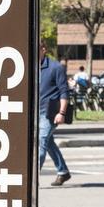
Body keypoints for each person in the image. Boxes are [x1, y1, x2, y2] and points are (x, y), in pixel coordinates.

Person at [39, 41, 71, 185]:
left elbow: (64, 92)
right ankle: (63, 171)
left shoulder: (56, 67)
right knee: (49, 142)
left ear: (43, 50)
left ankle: (31, 178)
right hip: (34, 112)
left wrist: (62, 113)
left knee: (41, 142)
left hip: (49, 113)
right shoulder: (29, 66)